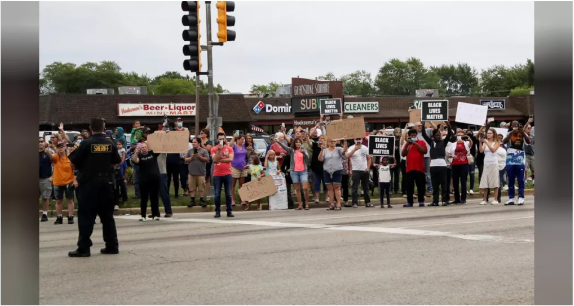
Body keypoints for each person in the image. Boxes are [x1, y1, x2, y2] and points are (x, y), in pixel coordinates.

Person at [68, 118, 120, 257]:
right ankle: (112, 245)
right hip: (106, 182)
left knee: (86, 216)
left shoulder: (86, 143)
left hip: (89, 183)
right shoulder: (110, 143)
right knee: (107, 216)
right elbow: (116, 161)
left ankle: (84, 248)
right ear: (103, 128)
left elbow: (72, 161)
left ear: (90, 128)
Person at [421, 122, 452, 206]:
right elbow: (424, 134)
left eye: (439, 134)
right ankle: (435, 201)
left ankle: (444, 200)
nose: (438, 136)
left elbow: (449, 134)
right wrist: (423, 124)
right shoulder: (431, 142)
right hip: (433, 165)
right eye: (436, 135)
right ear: (434, 136)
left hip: (442, 165)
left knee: (443, 183)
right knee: (435, 184)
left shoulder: (443, 142)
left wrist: (448, 125)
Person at [276, 137, 310, 210]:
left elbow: (308, 160)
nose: (298, 143)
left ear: (301, 143)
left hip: (303, 171)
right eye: (296, 142)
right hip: (294, 171)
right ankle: (300, 205)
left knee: (305, 188)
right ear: (294, 143)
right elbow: (284, 147)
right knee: (297, 189)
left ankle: (307, 203)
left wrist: (303, 153)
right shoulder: (292, 150)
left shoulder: (304, 150)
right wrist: (278, 142)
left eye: (299, 142)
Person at [47, 141, 76, 225]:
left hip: (68, 181)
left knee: (70, 200)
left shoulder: (70, 157)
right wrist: (48, 151)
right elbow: (51, 157)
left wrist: (74, 180)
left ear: (65, 148)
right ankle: (59, 217)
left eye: (62, 147)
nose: (60, 149)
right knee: (58, 201)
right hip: (58, 182)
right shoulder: (56, 156)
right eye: (58, 147)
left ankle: (71, 216)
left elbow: (74, 169)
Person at [503, 122, 531, 205]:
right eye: (514, 126)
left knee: (520, 179)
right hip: (510, 160)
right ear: (511, 126)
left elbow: (528, 142)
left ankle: (521, 197)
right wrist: (511, 133)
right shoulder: (508, 133)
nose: (515, 127)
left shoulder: (523, 134)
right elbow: (504, 141)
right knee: (510, 179)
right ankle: (511, 198)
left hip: (520, 160)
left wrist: (522, 132)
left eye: (517, 125)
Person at [132, 142, 161, 221]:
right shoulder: (139, 156)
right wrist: (136, 152)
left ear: (147, 147)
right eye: (142, 147)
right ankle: (143, 216)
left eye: (145, 147)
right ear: (140, 149)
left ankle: (155, 215)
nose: (144, 148)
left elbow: (161, 148)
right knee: (144, 199)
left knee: (154, 198)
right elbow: (135, 160)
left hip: (154, 179)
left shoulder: (152, 153)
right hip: (144, 180)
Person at [318, 137, 347, 210]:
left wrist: (345, 141)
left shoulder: (338, 149)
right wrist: (321, 150)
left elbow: (344, 151)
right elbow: (320, 159)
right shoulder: (325, 150)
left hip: (337, 170)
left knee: (337, 187)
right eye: (331, 141)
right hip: (327, 170)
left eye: (334, 141)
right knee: (329, 188)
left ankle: (338, 203)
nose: (333, 143)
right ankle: (331, 203)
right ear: (328, 142)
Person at [401, 129, 428, 207]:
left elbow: (424, 151)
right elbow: (403, 154)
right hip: (409, 169)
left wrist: (415, 143)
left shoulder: (421, 142)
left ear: (416, 135)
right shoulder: (408, 144)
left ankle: (421, 201)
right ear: (409, 136)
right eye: (411, 135)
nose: (413, 136)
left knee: (421, 186)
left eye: (414, 135)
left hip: (419, 168)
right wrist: (407, 144)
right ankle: (410, 202)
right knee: (409, 186)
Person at [212, 133, 235, 218]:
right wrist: (219, 150)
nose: (221, 140)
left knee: (228, 193)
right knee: (217, 194)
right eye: (220, 139)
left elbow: (231, 159)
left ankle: (229, 211)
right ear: (217, 140)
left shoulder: (229, 148)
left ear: (225, 139)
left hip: (227, 173)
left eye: (223, 139)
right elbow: (215, 159)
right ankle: (217, 211)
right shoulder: (214, 149)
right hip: (217, 174)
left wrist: (221, 160)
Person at [347, 138, 372, 208]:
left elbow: (369, 158)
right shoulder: (351, 148)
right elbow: (348, 156)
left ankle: (367, 202)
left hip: (364, 170)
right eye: (357, 139)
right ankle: (354, 202)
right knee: (355, 187)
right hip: (355, 170)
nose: (358, 141)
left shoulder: (365, 148)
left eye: (359, 139)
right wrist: (355, 149)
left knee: (366, 187)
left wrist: (368, 167)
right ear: (354, 140)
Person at [449, 129, 472, 204]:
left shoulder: (466, 143)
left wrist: (469, 139)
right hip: (455, 164)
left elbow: (471, 144)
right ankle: (457, 199)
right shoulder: (453, 144)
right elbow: (448, 154)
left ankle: (463, 199)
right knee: (455, 182)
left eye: (462, 136)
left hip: (464, 164)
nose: (460, 137)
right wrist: (452, 155)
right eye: (458, 135)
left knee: (463, 182)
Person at [185, 137, 209, 208]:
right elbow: (186, 160)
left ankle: (202, 200)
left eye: (195, 142)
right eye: (192, 142)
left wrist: (199, 156)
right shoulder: (190, 151)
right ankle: (192, 200)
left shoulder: (204, 151)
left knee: (201, 187)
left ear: (198, 143)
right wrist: (191, 157)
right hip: (191, 173)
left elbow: (207, 160)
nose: (193, 143)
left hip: (201, 173)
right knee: (192, 187)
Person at [479, 128, 501, 205]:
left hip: (494, 163)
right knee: (485, 181)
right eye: (487, 133)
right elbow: (481, 151)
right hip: (486, 163)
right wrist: (480, 142)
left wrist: (486, 142)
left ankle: (495, 199)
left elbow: (493, 150)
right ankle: (484, 199)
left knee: (495, 181)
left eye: (490, 133)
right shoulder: (485, 142)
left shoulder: (497, 142)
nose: (488, 135)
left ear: (493, 134)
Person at [228, 134, 249, 206]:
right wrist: (233, 137)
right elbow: (229, 146)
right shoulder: (234, 146)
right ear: (238, 139)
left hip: (243, 167)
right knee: (233, 184)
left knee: (242, 184)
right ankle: (232, 199)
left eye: (243, 139)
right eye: (241, 139)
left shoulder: (244, 146)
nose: (243, 141)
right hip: (234, 166)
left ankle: (242, 199)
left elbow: (247, 156)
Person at [155, 150, 173, 218]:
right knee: (154, 194)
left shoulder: (162, 148)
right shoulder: (149, 147)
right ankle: (155, 212)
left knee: (164, 192)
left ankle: (168, 211)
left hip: (162, 172)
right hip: (153, 173)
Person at [39, 138, 53, 222]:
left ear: (44, 143)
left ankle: (44, 214)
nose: (40, 143)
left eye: (41, 141)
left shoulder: (48, 152)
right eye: (38, 142)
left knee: (45, 197)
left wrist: (52, 176)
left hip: (45, 178)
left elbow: (55, 162)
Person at [199, 129, 213, 201]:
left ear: (206, 134)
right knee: (200, 178)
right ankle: (201, 195)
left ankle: (207, 195)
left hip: (207, 161)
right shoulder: (199, 140)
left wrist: (201, 143)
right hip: (199, 161)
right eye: (200, 133)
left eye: (202, 133)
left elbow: (207, 149)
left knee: (207, 178)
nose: (201, 134)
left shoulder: (209, 142)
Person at [114, 140, 128, 209]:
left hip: (121, 173)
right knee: (116, 187)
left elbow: (124, 166)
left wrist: (124, 175)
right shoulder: (116, 152)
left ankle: (124, 199)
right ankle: (117, 200)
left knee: (123, 187)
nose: (118, 145)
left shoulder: (123, 151)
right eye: (117, 144)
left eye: (120, 144)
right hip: (116, 173)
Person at [340, 140, 352, 207]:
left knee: (346, 187)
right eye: (345, 144)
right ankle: (338, 200)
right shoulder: (339, 151)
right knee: (339, 187)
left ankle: (346, 201)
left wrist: (350, 170)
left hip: (345, 171)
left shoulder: (348, 152)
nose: (346, 146)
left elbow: (349, 161)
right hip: (339, 171)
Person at [524, 119, 535, 184]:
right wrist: (527, 122)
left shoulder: (533, 136)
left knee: (533, 168)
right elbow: (523, 128)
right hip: (525, 154)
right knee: (525, 169)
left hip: (532, 154)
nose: (529, 129)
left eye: (530, 128)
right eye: (528, 128)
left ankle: (534, 180)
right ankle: (525, 180)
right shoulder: (523, 135)